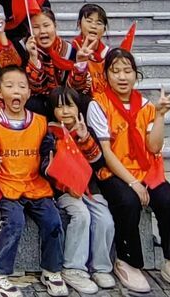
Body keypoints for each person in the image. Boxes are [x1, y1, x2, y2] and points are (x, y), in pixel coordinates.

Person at [88, 48, 170, 297]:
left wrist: (161, 116)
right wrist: (132, 183)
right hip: (114, 172)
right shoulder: (98, 105)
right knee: (127, 202)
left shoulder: (147, 106)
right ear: (106, 75)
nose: (122, 76)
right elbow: (106, 152)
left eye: (127, 71)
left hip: (146, 170)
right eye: (115, 71)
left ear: (135, 75)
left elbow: (154, 146)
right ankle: (127, 260)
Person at [0, 65, 65, 297]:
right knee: (14, 222)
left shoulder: (41, 123)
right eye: (10, 86)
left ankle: (51, 269)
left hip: (34, 183)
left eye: (22, 86)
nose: (17, 91)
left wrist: (51, 162)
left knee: (53, 221)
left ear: (28, 93)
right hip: (5, 182)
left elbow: (47, 159)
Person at [47, 85, 115, 295]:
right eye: (59, 107)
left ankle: (101, 267)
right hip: (65, 191)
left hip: (89, 188)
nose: (65, 111)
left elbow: (97, 162)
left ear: (78, 108)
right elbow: (50, 168)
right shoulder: (50, 132)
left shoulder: (86, 130)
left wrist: (85, 138)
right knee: (82, 216)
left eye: (69, 105)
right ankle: (73, 268)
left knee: (105, 219)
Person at [24, 9, 92, 116]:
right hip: (43, 104)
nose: (42, 31)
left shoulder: (70, 51)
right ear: (29, 30)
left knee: (86, 101)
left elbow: (78, 88)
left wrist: (80, 64)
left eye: (46, 25)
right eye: (36, 27)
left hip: (67, 101)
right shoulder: (25, 52)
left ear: (55, 25)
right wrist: (33, 58)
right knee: (31, 104)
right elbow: (35, 90)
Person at [71, 5, 108, 97]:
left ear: (104, 30)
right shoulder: (71, 50)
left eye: (99, 23)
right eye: (89, 21)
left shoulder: (108, 54)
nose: (93, 26)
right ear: (79, 24)